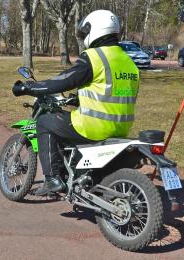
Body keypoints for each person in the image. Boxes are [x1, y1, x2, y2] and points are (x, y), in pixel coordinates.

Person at [12, 10, 140, 196]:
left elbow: (64, 80)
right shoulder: (129, 62)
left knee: (45, 122)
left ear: (95, 29)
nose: (85, 37)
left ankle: (52, 179)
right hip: (121, 128)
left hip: (93, 126)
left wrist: (30, 88)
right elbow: (112, 90)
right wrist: (79, 98)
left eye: (86, 32)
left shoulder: (95, 56)